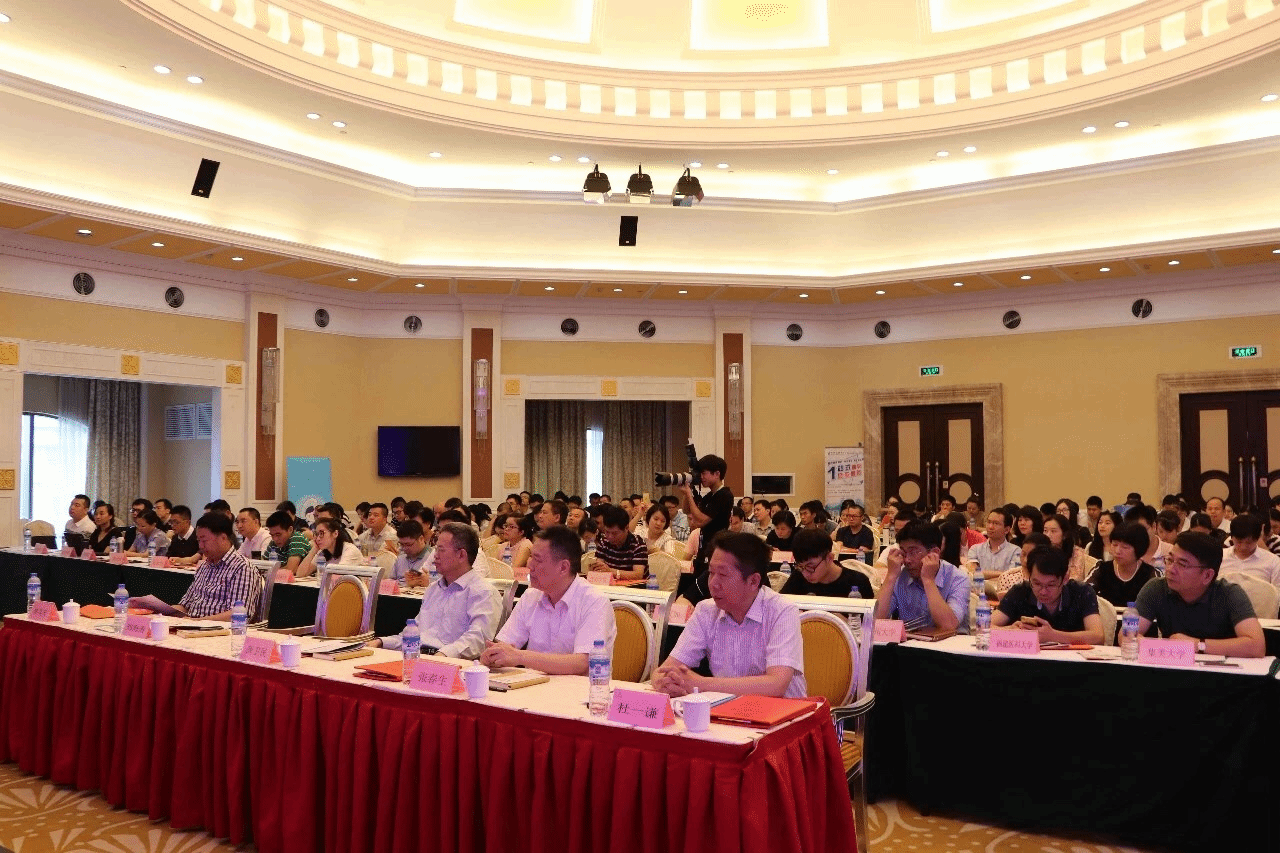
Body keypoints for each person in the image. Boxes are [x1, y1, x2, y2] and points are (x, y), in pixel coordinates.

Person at [653, 532, 806, 699]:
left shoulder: (782, 611)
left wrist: (700, 684)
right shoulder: (706, 611)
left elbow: (776, 685)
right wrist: (664, 682)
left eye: (723, 575)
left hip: (783, 711)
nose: (713, 584)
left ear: (753, 581)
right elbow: (664, 670)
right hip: (725, 711)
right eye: (711, 573)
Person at [481, 526, 616, 675]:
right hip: (534, 685)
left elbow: (582, 663)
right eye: (531, 557)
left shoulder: (595, 602)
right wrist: (494, 655)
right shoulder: (531, 596)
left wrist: (520, 657)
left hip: (580, 688)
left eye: (537, 559)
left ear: (563, 567)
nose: (529, 565)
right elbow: (506, 645)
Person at [369, 522, 500, 659]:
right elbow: (414, 634)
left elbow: (478, 640)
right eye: (435, 549)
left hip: (452, 663)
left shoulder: (484, 592)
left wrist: (443, 654)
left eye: (441, 550)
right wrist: (381, 642)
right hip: (421, 657)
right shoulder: (433, 589)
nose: (435, 556)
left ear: (461, 555)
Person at [1133, 532, 1264, 658]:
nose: (1170, 569)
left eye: (1182, 564)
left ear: (1207, 575)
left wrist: (1197, 645)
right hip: (1172, 666)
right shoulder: (1156, 588)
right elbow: (1128, 633)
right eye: (1170, 560)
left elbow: (1256, 646)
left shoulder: (1230, 594)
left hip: (1219, 671)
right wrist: (1146, 644)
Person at [129, 512, 264, 622]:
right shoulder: (204, 567)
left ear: (223, 538)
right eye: (199, 541)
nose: (201, 546)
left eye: (204, 540)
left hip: (219, 634)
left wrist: (198, 622)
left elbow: (239, 614)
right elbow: (185, 606)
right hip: (192, 627)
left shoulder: (242, 568)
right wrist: (157, 609)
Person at [991, 546, 1104, 644]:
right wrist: (1009, 630)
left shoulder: (1082, 592)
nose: (1043, 591)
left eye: (1051, 585)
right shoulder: (1020, 592)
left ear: (1065, 578)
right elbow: (985, 626)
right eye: (1037, 583)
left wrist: (1053, 636)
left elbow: (1098, 636)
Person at [873, 519, 969, 633]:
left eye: (913, 552)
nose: (907, 560)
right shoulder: (901, 575)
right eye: (903, 552)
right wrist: (890, 576)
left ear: (934, 552)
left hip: (951, 643)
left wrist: (928, 580)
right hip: (909, 641)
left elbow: (948, 626)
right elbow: (874, 621)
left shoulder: (958, 578)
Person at [678, 454, 734, 603]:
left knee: (700, 597)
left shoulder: (724, 495)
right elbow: (687, 511)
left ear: (717, 474)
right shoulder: (710, 496)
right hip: (703, 554)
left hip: (715, 553)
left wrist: (689, 494)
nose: (701, 477)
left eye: (704, 473)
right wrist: (686, 493)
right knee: (688, 593)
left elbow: (701, 520)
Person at [781, 528, 873, 599]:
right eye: (800, 566)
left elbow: (868, 617)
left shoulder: (858, 582)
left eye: (810, 567)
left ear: (829, 558)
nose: (805, 574)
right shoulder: (797, 578)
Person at [1085, 522, 1158, 608]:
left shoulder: (1151, 574)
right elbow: (1084, 593)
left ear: (1139, 549)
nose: (1117, 551)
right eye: (1114, 544)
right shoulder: (1101, 568)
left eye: (1125, 547)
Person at [589, 506, 649, 581]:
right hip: (610, 585)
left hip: (634, 587)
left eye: (614, 533)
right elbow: (600, 566)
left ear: (626, 528)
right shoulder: (604, 541)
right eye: (607, 532)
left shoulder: (638, 544)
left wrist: (611, 571)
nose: (610, 537)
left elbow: (638, 575)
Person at [1219, 514, 1280, 587]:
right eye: (1239, 542)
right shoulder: (1219, 557)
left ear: (1258, 538)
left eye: (1249, 543)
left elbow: (1277, 591)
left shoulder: (1273, 562)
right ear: (1231, 537)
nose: (1243, 547)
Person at [297, 517, 362, 577]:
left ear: (335, 534)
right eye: (316, 534)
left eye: (321, 533)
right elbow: (300, 574)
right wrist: (314, 549)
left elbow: (336, 576)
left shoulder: (349, 550)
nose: (318, 539)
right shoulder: (322, 552)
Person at [966, 508, 1021, 580]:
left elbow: (1012, 577)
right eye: (989, 522)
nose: (990, 527)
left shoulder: (1016, 551)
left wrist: (983, 575)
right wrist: (1003, 574)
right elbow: (972, 571)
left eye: (996, 523)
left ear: (1007, 530)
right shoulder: (975, 549)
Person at [1043, 514, 1089, 582]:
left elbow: (1075, 580)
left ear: (1064, 534)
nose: (1048, 535)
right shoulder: (1041, 551)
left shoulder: (1077, 553)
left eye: (1053, 531)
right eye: (1045, 531)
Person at [389, 519, 435, 586]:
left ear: (421, 539)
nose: (404, 548)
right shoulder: (401, 557)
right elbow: (391, 582)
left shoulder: (433, 556)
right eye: (402, 544)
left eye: (409, 545)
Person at [264, 510, 310, 574]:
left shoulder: (297, 538)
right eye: (272, 535)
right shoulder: (273, 542)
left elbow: (290, 570)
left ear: (290, 530)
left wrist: (270, 571)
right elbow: (262, 566)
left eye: (278, 534)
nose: (275, 539)